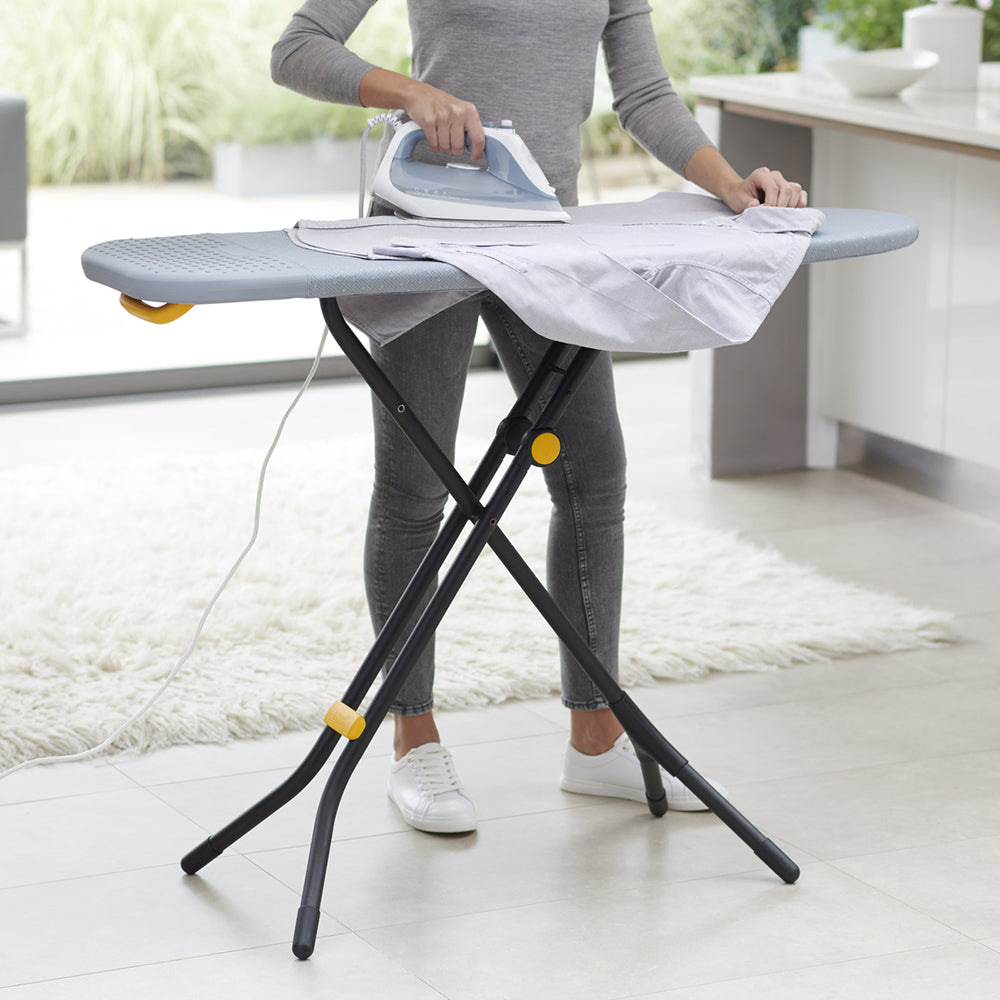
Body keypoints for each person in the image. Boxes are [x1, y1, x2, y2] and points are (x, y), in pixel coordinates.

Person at [272, 0, 807, 835]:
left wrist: (730, 184)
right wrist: (412, 94)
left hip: (544, 235)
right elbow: (297, 48)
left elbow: (645, 95)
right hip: (427, 238)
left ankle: (595, 739)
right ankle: (412, 738)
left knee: (594, 477)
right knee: (416, 491)